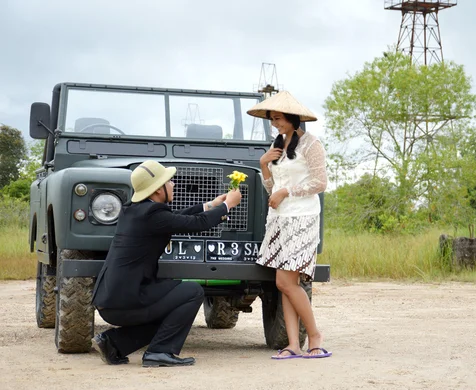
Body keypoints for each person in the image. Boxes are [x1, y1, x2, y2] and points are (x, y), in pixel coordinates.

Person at [91, 160, 242, 367]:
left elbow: (175, 218)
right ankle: (160, 352)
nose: (173, 185)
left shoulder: (136, 210)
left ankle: (113, 344)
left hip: (114, 299)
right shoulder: (153, 215)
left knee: (173, 307)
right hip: (126, 300)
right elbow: (197, 223)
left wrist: (211, 205)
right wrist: (228, 205)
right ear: (156, 191)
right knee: (191, 292)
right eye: (168, 182)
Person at [247, 91, 332, 359]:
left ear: (293, 119)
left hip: (302, 218)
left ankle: (315, 335)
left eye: (279, 118)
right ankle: (293, 344)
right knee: (285, 283)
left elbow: (320, 183)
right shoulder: (278, 148)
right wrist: (264, 165)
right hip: (279, 220)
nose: (275, 124)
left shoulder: (311, 144)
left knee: (286, 281)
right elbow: (272, 188)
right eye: (272, 119)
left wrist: (287, 192)